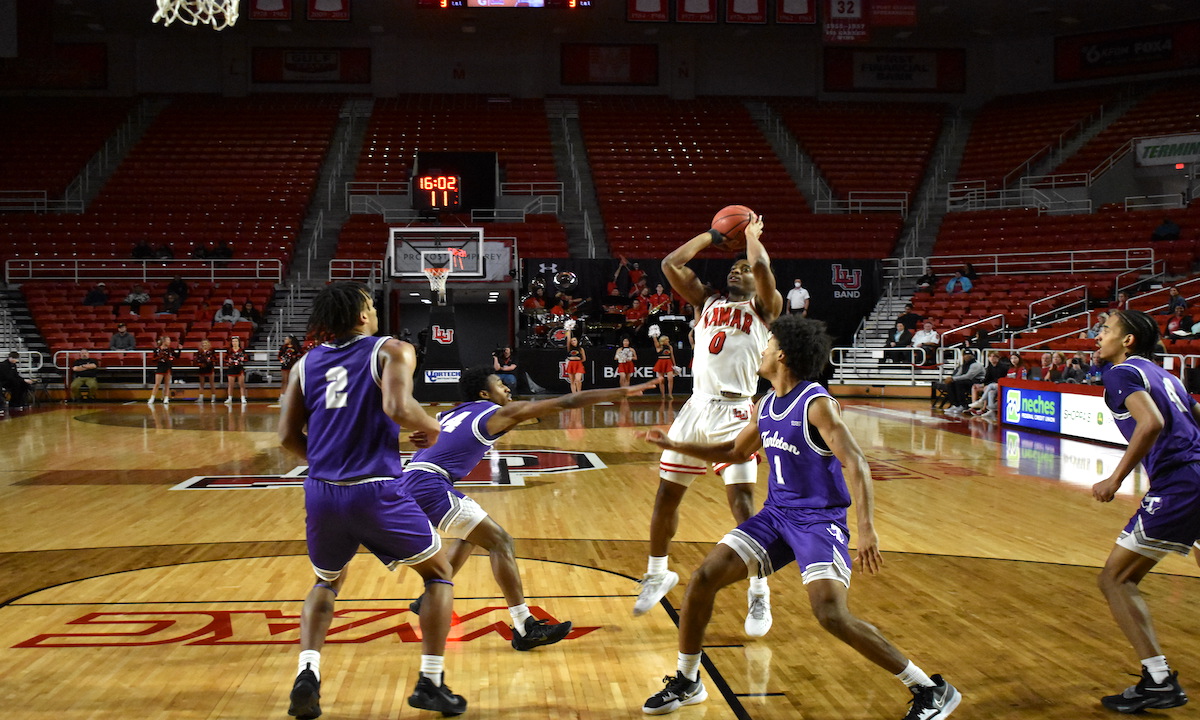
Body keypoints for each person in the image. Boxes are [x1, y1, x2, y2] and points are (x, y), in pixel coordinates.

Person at [641, 315, 961, 718]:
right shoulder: (766, 404)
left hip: (818, 521)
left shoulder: (816, 403)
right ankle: (688, 680)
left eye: (767, 343)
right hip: (776, 516)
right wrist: (676, 443)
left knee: (830, 614)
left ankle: (929, 688)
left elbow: (857, 464)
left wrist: (867, 530)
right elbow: (736, 453)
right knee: (704, 578)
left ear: (783, 355)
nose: (761, 349)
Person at [277, 281, 466, 719]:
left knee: (326, 583)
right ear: (362, 315)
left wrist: (328, 463)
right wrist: (433, 428)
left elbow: (286, 437)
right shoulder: (391, 350)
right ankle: (431, 683)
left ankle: (308, 672)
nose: (375, 312)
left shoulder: (305, 364)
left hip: (322, 492)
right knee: (438, 574)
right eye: (371, 306)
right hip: (377, 489)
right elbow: (400, 408)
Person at [401, 367, 660, 652]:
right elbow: (566, 402)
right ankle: (525, 626)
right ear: (485, 394)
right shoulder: (495, 413)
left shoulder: (450, 413)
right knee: (501, 542)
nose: (508, 389)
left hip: (410, 479)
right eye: (501, 384)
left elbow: (426, 432)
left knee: (475, 534)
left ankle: (431, 595)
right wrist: (622, 391)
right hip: (430, 483)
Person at [635, 212, 783, 637]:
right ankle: (657, 572)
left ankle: (759, 589)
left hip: (736, 412)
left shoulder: (764, 308)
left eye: (743, 269)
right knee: (666, 496)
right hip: (696, 409)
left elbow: (761, 267)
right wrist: (711, 235)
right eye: (732, 267)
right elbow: (669, 265)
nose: (736, 271)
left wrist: (751, 238)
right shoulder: (708, 302)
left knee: (741, 506)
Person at [1090, 309, 1199, 713]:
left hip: (1181, 483)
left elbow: (1150, 423)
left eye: (1106, 329)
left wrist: (1115, 479)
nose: (1098, 335)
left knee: (1115, 579)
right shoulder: (1166, 375)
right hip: (1195, 475)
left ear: (1128, 340)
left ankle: (1158, 679)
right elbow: (1195, 418)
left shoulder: (1120, 373)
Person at [147, 335, 180, 404]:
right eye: (168, 340)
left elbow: (177, 356)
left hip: (168, 367)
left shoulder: (170, 349)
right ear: (164, 341)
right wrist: (159, 357)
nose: (169, 342)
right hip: (160, 367)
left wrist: (179, 349)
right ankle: (152, 398)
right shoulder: (157, 349)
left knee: (167, 384)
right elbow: (153, 359)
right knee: (157, 383)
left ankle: (166, 398)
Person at [224, 335, 248, 404]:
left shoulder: (242, 350)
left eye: (236, 341)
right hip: (231, 368)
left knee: (241, 384)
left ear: (239, 342)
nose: (234, 343)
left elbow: (246, 358)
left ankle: (243, 398)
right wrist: (229, 362)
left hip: (239, 368)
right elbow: (225, 359)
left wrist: (241, 360)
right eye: (233, 341)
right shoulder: (229, 351)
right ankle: (229, 398)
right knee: (230, 384)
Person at [563, 324, 586, 393]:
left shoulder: (580, 349)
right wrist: (569, 329)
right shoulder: (569, 348)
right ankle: (574, 394)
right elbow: (568, 339)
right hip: (571, 364)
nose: (573, 342)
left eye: (574, 340)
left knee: (578, 380)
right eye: (572, 341)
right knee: (572, 381)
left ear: (577, 341)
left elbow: (584, 358)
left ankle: (579, 392)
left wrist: (577, 360)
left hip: (578, 364)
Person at [195, 339, 216, 403]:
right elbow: (196, 359)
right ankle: (201, 398)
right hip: (202, 368)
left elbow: (214, 359)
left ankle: (213, 397)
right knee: (201, 384)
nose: (204, 345)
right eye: (203, 344)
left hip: (209, 367)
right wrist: (200, 364)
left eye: (206, 344)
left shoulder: (212, 351)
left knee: (212, 383)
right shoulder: (199, 352)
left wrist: (209, 361)